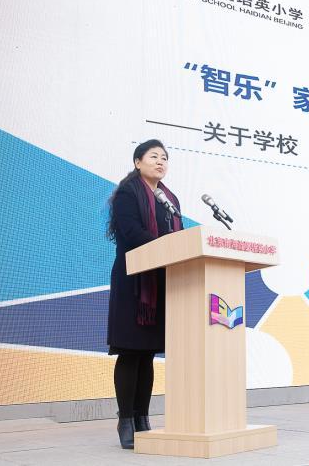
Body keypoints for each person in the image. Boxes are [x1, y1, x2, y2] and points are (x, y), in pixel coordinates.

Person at [106, 139, 183, 449]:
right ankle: (125, 419)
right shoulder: (128, 193)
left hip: (159, 281)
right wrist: (166, 248)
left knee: (147, 353)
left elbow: (178, 236)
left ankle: (142, 418)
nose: (161, 161)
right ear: (138, 162)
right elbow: (131, 232)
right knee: (130, 351)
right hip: (134, 282)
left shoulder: (170, 200)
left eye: (165, 158)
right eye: (154, 156)